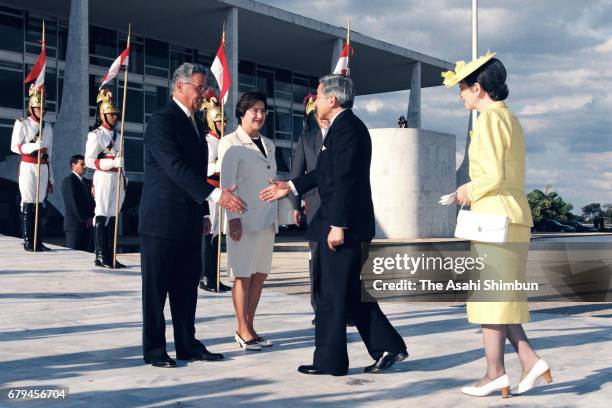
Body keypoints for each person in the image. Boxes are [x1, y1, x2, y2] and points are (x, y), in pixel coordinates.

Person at [260, 75, 407, 376]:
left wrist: (338, 225)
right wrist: (289, 185)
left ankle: (331, 362)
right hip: (340, 223)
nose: (314, 100)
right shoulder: (342, 129)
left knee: (331, 295)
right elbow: (323, 173)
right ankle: (388, 346)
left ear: (333, 100)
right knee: (349, 292)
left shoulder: (348, 130)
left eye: (318, 94)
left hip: (343, 226)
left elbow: (345, 182)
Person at [443, 51, 552, 397]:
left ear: (477, 88)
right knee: (500, 297)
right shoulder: (509, 118)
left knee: (491, 298)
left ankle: (495, 373)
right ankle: (528, 360)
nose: (460, 94)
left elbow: (491, 175)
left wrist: (465, 190)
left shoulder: (488, 120)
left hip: (494, 217)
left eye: (462, 88)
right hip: (513, 215)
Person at [139, 63, 245, 368]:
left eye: (203, 88)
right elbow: (175, 168)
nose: (203, 94)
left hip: (188, 220)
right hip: (161, 220)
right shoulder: (162, 122)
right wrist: (215, 195)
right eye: (198, 88)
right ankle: (155, 348)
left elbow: (197, 170)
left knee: (186, 288)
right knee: (156, 290)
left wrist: (202, 213)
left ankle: (187, 343)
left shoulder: (196, 124)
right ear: (179, 87)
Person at [218, 91, 277, 351]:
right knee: (242, 274)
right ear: (242, 112)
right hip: (242, 218)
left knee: (260, 274)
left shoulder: (269, 144)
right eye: (253, 110)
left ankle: (249, 326)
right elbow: (226, 185)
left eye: (263, 110)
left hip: (266, 218)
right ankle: (241, 329)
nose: (259, 115)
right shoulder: (230, 142)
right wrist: (232, 219)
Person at [288, 94, 326, 323]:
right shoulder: (306, 139)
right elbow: (297, 173)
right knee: (318, 259)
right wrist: (295, 205)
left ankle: (344, 308)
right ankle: (319, 307)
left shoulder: (342, 136)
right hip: (314, 206)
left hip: (339, 206)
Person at [85, 88, 127, 268]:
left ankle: (110, 254)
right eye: (111, 114)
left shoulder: (118, 135)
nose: (115, 117)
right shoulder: (96, 135)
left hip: (117, 178)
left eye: (116, 114)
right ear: (103, 115)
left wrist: (124, 177)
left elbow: (121, 160)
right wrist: (110, 164)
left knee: (113, 215)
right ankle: (101, 254)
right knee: (101, 213)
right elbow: (89, 160)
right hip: (103, 176)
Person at [11, 84, 54, 252]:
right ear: (32, 108)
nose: (41, 111)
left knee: (40, 204)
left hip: (43, 166)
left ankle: (38, 240)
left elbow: (50, 154)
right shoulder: (23, 124)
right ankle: (28, 241)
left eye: (44, 108)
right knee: (29, 202)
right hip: (28, 164)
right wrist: (32, 146)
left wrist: (51, 176)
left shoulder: (48, 128)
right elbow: (15, 146)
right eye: (38, 108)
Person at [198, 91, 231, 293]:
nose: (223, 124)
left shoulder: (222, 141)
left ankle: (214, 275)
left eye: (224, 121)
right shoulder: (207, 141)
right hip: (210, 191)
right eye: (219, 121)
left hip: (221, 190)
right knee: (208, 234)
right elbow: (204, 168)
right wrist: (220, 164)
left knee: (217, 235)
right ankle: (205, 276)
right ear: (211, 122)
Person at [61, 154, 95, 251]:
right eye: (82, 164)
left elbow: (90, 202)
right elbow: (72, 204)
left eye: (85, 165)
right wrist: (85, 219)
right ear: (73, 165)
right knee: (73, 254)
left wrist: (91, 217)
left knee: (86, 254)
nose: (85, 167)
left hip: (86, 225)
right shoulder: (69, 181)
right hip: (74, 226)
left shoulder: (85, 182)